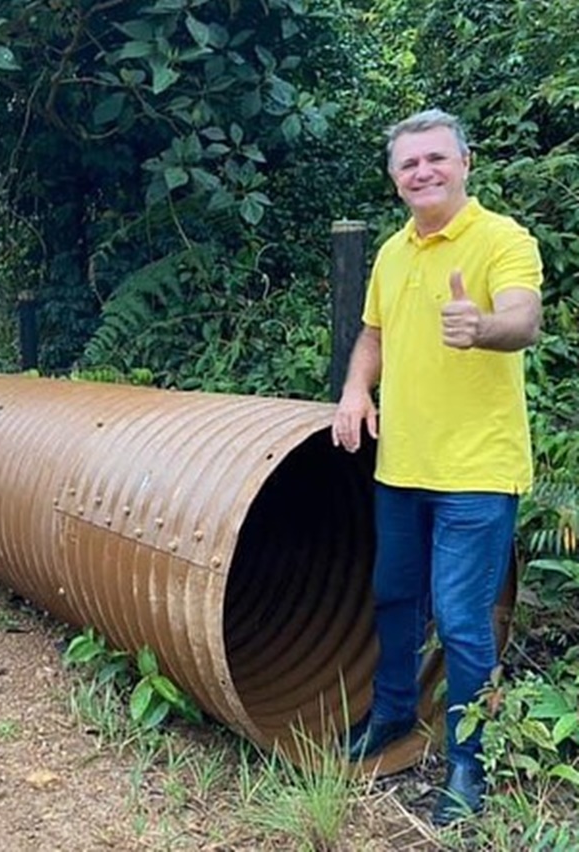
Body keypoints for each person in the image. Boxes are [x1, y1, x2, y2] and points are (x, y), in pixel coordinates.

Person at [331, 108, 543, 827]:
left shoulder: (502, 239)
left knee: (460, 620)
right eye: (409, 164)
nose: (423, 171)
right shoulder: (392, 253)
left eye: (436, 158)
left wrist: (482, 327)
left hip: (477, 473)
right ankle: (393, 712)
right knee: (393, 598)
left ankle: (466, 760)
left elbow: (523, 318)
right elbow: (373, 334)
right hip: (402, 466)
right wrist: (356, 389)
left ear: (465, 163)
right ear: (395, 179)